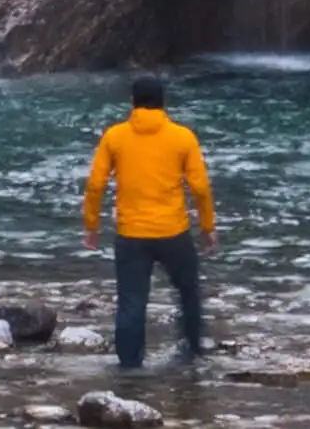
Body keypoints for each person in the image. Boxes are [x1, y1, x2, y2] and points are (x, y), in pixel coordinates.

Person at [81, 74, 216, 368]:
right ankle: (194, 353)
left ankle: (129, 367)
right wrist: (207, 228)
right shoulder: (183, 137)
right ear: (163, 104)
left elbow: (95, 185)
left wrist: (91, 226)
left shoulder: (114, 137)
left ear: (133, 103)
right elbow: (201, 189)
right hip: (174, 233)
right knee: (188, 292)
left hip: (131, 235)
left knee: (131, 301)